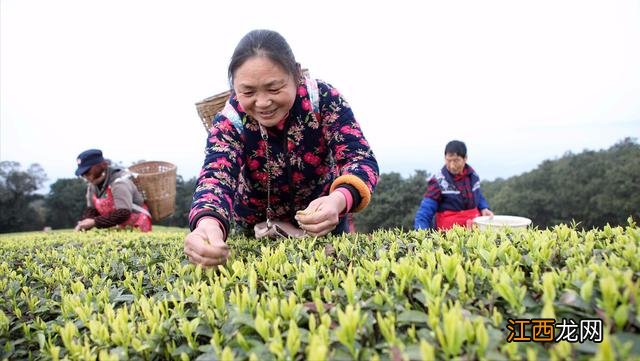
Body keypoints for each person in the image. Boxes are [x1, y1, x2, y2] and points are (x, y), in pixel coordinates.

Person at [184, 29, 379, 267]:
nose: (263, 103)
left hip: (324, 220)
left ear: (296, 74)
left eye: (274, 88)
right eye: (248, 92)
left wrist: (338, 200)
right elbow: (215, 179)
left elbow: (359, 159)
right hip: (257, 229)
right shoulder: (229, 121)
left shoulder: (323, 99)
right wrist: (208, 226)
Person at [414, 140, 494, 230]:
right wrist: (421, 233)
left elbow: (478, 195)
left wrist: (484, 208)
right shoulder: (438, 181)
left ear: (465, 158)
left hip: (473, 232)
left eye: (456, 161)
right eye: (449, 161)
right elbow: (426, 209)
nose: (452, 165)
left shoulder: (473, 176)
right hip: (448, 235)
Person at [74, 149, 152, 232]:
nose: (85, 175)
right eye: (83, 173)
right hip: (117, 229)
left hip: (137, 226)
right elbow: (92, 210)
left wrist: (94, 222)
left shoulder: (119, 182)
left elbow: (123, 213)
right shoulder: (92, 186)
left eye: (87, 171)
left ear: (101, 165)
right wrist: (85, 222)